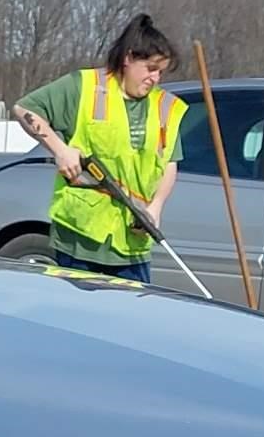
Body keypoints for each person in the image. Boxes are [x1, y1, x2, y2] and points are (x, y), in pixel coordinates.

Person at [9, 14, 186, 282]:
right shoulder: (86, 87)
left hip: (133, 243)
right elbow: (24, 109)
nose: (155, 78)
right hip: (81, 239)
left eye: (160, 71)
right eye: (150, 68)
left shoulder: (166, 107)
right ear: (128, 58)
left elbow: (170, 163)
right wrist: (60, 150)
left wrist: (156, 206)